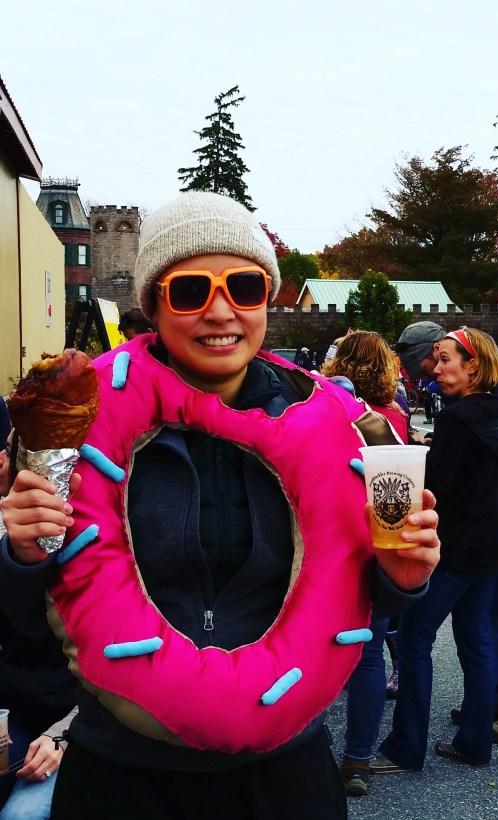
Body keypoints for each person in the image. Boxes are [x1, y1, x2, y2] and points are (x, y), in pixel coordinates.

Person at [0, 191, 441, 820]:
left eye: (244, 286)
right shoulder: (77, 422)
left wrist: (405, 579)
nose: (220, 311)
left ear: (267, 296)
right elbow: (28, 616)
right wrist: (18, 553)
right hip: (124, 767)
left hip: (284, 774)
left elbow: (357, 591)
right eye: (189, 292)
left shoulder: (339, 430)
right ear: (153, 304)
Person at [395, 320, 498, 744]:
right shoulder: (479, 396)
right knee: (492, 616)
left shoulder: (491, 371)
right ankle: (494, 701)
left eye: (433, 364)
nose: (430, 375)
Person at [375, 327, 498, 772]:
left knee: (415, 639)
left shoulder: (459, 418)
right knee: (477, 644)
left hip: (454, 550)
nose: (436, 369)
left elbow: (438, 487)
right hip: (491, 547)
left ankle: (406, 747)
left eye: (445, 360)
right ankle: (476, 741)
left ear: (473, 364)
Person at [321, 330, 409, 796]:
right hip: (375, 545)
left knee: (308, 646)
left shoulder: (326, 406)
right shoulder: (392, 416)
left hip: (326, 547)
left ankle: (295, 751)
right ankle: (357, 759)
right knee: (370, 653)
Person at [0, 432, 77, 820]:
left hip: (80, 728)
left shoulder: (106, 549)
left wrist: (63, 734)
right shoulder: (9, 537)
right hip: (15, 721)